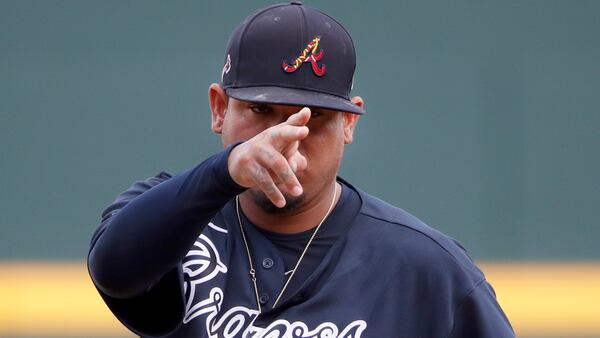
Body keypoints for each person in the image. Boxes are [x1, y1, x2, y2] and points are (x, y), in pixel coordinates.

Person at [87, 2, 515, 337]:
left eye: (313, 118)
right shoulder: (174, 221)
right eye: (261, 110)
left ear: (349, 122)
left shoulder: (427, 270)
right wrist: (226, 171)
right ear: (219, 109)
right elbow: (115, 271)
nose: (284, 137)